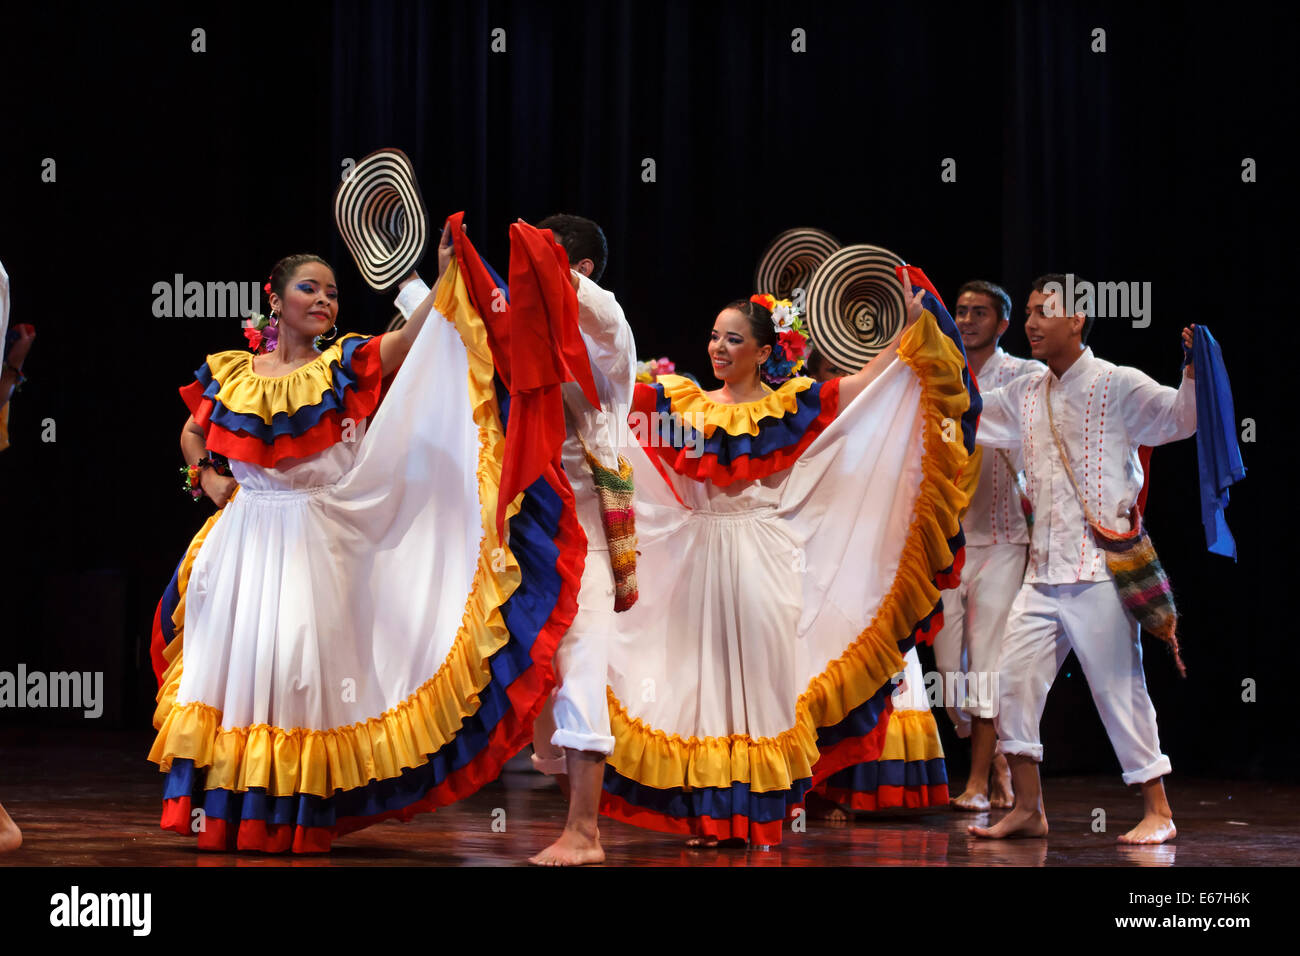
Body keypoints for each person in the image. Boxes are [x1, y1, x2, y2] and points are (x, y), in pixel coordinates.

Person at [147, 223, 586, 852]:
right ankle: (229, 813)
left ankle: (290, 816)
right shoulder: (234, 372)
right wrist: (206, 480)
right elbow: (196, 432)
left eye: (331, 292)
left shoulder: (344, 362)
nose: (324, 300)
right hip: (243, 541)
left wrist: (441, 280)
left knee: (296, 673)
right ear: (275, 299)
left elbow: (407, 344)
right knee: (235, 674)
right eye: (309, 288)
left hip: (314, 542)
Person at [598, 269, 975, 847]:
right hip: (700, 554)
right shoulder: (681, 403)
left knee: (764, 683)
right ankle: (711, 815)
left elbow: (874, 385)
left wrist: (909, 327)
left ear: (764, 351)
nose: (718, 349)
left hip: (764, 556)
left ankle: (759, 816)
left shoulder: (790, 405)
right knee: (703, 686)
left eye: (732, 340)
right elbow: (610, 384)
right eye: (714, 337)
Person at [969, 274, 1195, 845]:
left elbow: (1180, 419)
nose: (1032, 322)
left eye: (1046, 312)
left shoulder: (1117, 384)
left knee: (1118, 688)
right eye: (1028, 313)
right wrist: (918, 363)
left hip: (1098, 572)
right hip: (1041, 574)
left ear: (1078, 320)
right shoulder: (1024, 393)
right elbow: (967, 411)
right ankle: (1028, 807)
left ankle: (1158, 810)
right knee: (1012, 685)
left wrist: (1196, 372)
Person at [526, 214, 637, 866]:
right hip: (531, 535)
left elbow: (603, 318)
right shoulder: (530, 340)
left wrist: (548, 270)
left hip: (588, 538)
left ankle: (585, 834)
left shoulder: (608, 348)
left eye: (549, 261)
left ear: (580, 272)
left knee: (583, 670)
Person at [935, 280, 1045, 811]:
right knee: (951, 676)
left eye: (981, 313)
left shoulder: (1025, 375)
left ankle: (978, 782)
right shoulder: (940, 374)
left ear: (1002, 324)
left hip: (1003, 540)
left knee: (985, 665)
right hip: (950, 542)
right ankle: (996, 756)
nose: (968, 320)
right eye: (960, 311)